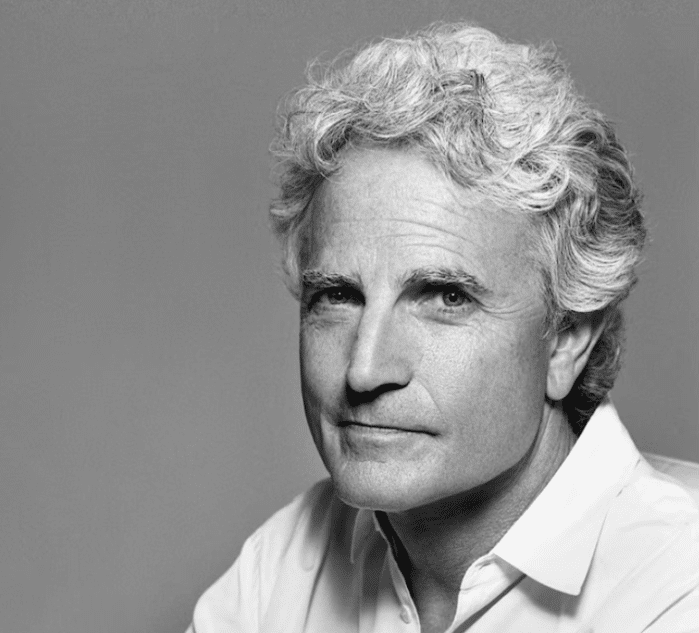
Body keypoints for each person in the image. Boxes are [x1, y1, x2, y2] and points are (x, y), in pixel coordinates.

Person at [187, 22, 699, 633]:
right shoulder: (282, 570)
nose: (364, 370)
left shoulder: (676, 590)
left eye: (446, 298)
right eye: (337, 297)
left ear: (567, 338)